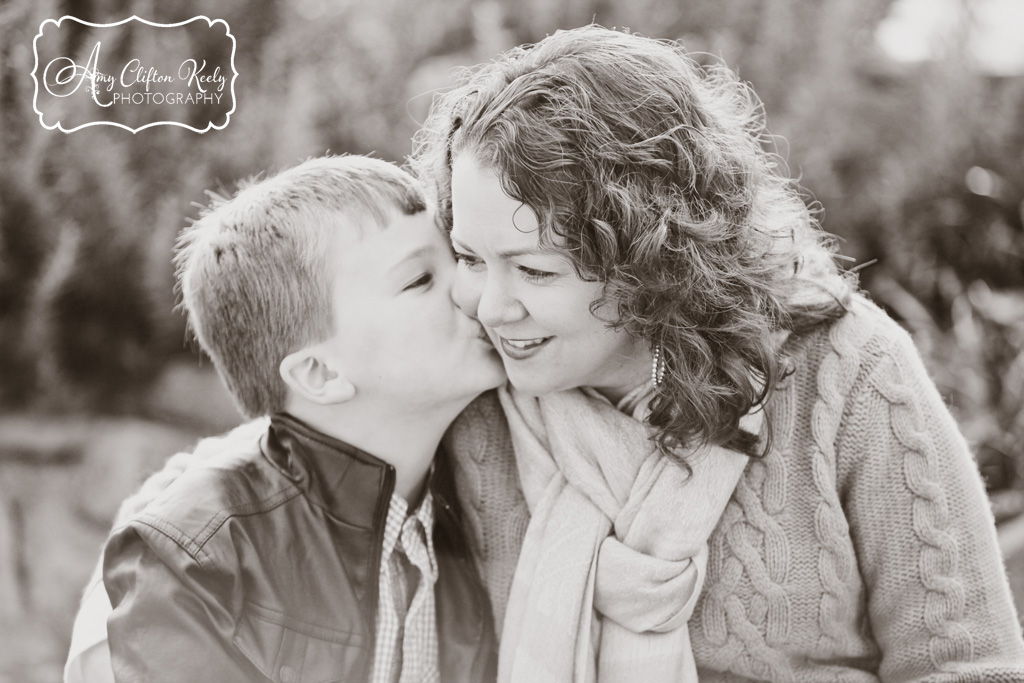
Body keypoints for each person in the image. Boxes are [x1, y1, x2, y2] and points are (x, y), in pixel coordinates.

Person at [408, 24, 1024, 683]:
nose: (491, 305)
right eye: (470, 258)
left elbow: (970, 664)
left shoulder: (850, 373)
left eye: (534, 271)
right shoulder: (464, 392)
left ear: (649, 255)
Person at [91, 155, 504, 683]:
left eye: (462, 259)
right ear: (319, 373)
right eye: (421, 278)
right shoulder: (198, 560)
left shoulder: (480, 498)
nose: (473, 289)